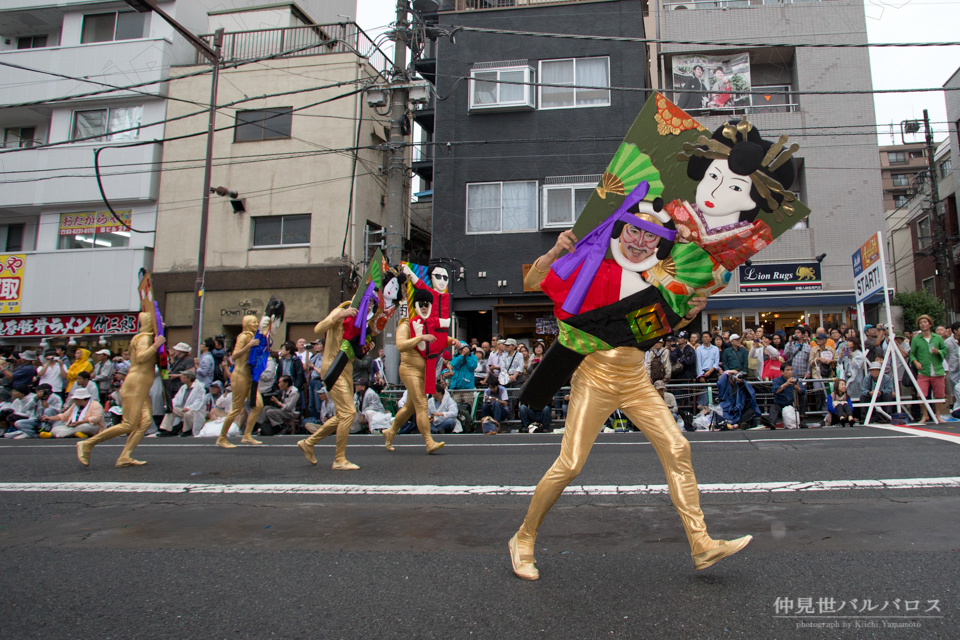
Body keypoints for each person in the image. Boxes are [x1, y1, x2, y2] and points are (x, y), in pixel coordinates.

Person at [510, 226, 746, 583]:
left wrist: (693, 310)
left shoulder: (662, 279)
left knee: (678, 448)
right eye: (634, 231)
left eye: (650, 237)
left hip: (636, 379)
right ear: (620, 233)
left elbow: (667, 324)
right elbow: (534, 279)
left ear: (660, 244)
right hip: (593, 377)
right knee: (571, 464)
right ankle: (523, 537)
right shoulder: (594, 267)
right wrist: (557, 250)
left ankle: (701, 543)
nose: (639, 243)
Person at [77, 310, 165, 467]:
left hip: (141, 386)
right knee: (129, 424)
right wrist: (157, 344)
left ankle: (125, 456)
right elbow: (141, 357)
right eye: (158, 322)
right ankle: (87, 444)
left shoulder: (145, 337)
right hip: (136, 385)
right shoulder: (145, 338)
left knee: (144, 423)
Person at [380, 291, 455, 455]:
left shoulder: (427, 324)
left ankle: (391, 431)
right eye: (420, 304)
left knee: (410, 407)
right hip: (409, 370)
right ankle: (429, 442)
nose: (423, 307)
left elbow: (439, 338)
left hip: (425, 372)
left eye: (426, 304)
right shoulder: (406, 325)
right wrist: (420, 338)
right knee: (421, 404)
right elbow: (400, 345)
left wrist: (453, 341)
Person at [297, 303, 362, 469]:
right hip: (333, 367)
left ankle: (309, 442)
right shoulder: (342, 310)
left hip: (346, 368)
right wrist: (341, 314)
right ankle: (339, 459)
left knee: (342, 414)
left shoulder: (360, 317)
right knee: (349, 412)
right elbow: (319, 328)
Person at [218, 317, 266, 448]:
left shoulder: (254, 335)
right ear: (246, 324)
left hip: (250, 376)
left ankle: (247, 435)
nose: (256, 324)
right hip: (240, 375)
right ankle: (222, 438)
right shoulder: (243, 337)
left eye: (257, 322)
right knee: (236, 409)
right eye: (253, 322)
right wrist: (249, 345)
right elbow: (234, 355)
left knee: (258, 405)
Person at [909, 314, 947, 425]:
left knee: (939, 394)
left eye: (925, 322)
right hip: (923, 371)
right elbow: (912, 354)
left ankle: (938, 415)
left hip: (937, 370)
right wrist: (916, 362)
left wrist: (938, 352)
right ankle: (925, 415)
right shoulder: (916, 340)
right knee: (921, 394)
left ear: (930, 324)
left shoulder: (938, 338)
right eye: (921, 323)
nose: (923, 324)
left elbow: (945, 350)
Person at [160, 370, 206, 436]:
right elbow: (177, 399)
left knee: (188, 414)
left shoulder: (199, 387)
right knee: (171, 410)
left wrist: (189, 408)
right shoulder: (183, 387)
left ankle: (186, 430)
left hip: (196, 411)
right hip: (184, 410)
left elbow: (199, 401)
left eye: (183, 376)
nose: (181, 377)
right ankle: (167, 429)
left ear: (189, 378)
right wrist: (169, 405)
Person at [768, 364, 805, 429]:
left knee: (804, 396)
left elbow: (803, 391)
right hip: (780, 403)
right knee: (773, 408)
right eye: (787, 370)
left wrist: (798, 388)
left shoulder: (796, 380)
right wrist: (786, 384)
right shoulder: (776, 380)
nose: (790, 372)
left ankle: (801, 420)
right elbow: (775, 391)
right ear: (782, 372)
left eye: (791, 370)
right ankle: (772, 422)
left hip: (793, 404)